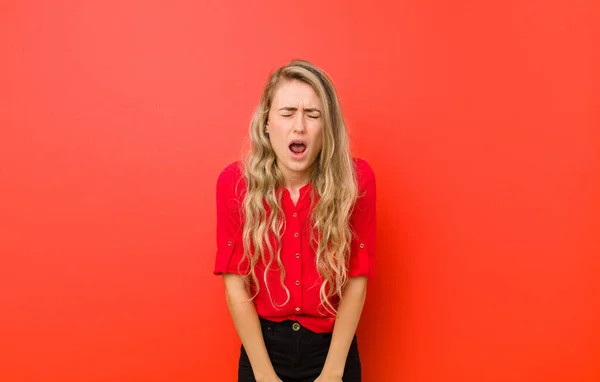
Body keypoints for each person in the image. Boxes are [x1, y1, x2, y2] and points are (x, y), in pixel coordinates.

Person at [213, 59, 376, 382]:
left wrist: (332, 372)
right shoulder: (234, 183)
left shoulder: (357, 180)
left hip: (333, 350)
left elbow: (358, 276)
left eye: (312, 115)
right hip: (263, 350)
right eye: (287, 113)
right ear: (267, 123)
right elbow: (234, 281)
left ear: (326, 126)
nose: (299, 126)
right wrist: (263, 375)